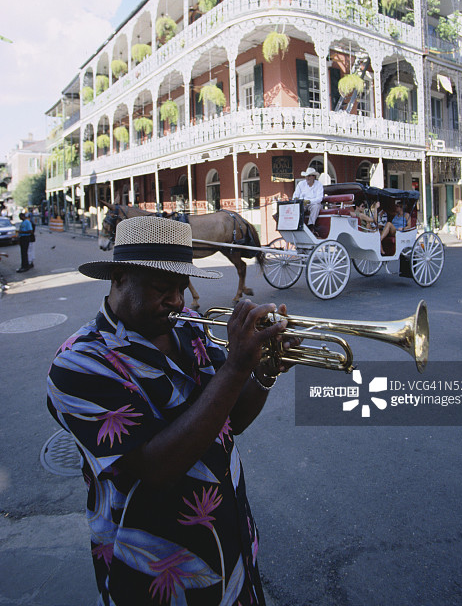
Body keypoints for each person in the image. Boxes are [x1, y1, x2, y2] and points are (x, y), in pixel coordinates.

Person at [47, 216, 299, 605]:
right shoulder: (78, 364)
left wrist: (263, 372)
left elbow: (230, 422)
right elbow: (156, 468)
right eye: (163, 288)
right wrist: (235, 368)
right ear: (118, 278)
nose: (178, 301)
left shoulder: (190, 329)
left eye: (182, 287)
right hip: (156, 578)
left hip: (232, 554)